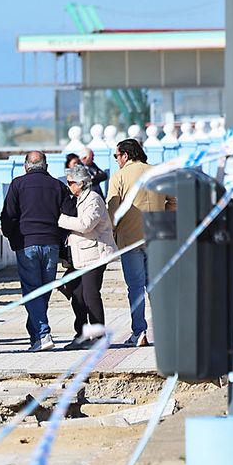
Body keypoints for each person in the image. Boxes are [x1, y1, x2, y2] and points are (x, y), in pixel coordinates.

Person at [0, 151, 66, 351]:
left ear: (26, 166)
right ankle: (35, 333)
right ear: (45, 166)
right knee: (43, 290)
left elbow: (8, 216)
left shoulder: (18, 184)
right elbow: (68, 214)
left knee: (32, 290)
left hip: (27, 243)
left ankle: (43, 334)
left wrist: (13, 239)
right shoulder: (58, 185)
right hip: (51, 243)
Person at [105, 138, 166, 347]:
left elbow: (113, 210)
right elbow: (174, 201)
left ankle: (139, 331)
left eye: (116, 156)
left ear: (126, 155)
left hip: (130, 239)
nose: (116, 161)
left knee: (136, 288)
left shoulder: (119, 177)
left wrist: (113, 232)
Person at [57, 166, 117, 348]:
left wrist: (60, 220)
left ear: (80, 183)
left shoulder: (94, 199)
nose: (68, 186)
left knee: (90, 295)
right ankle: (82, 334)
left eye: (70, 183)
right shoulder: (78, 199)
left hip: (94, 254)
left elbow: (86, 224)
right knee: (76, 293)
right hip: (80, 255)